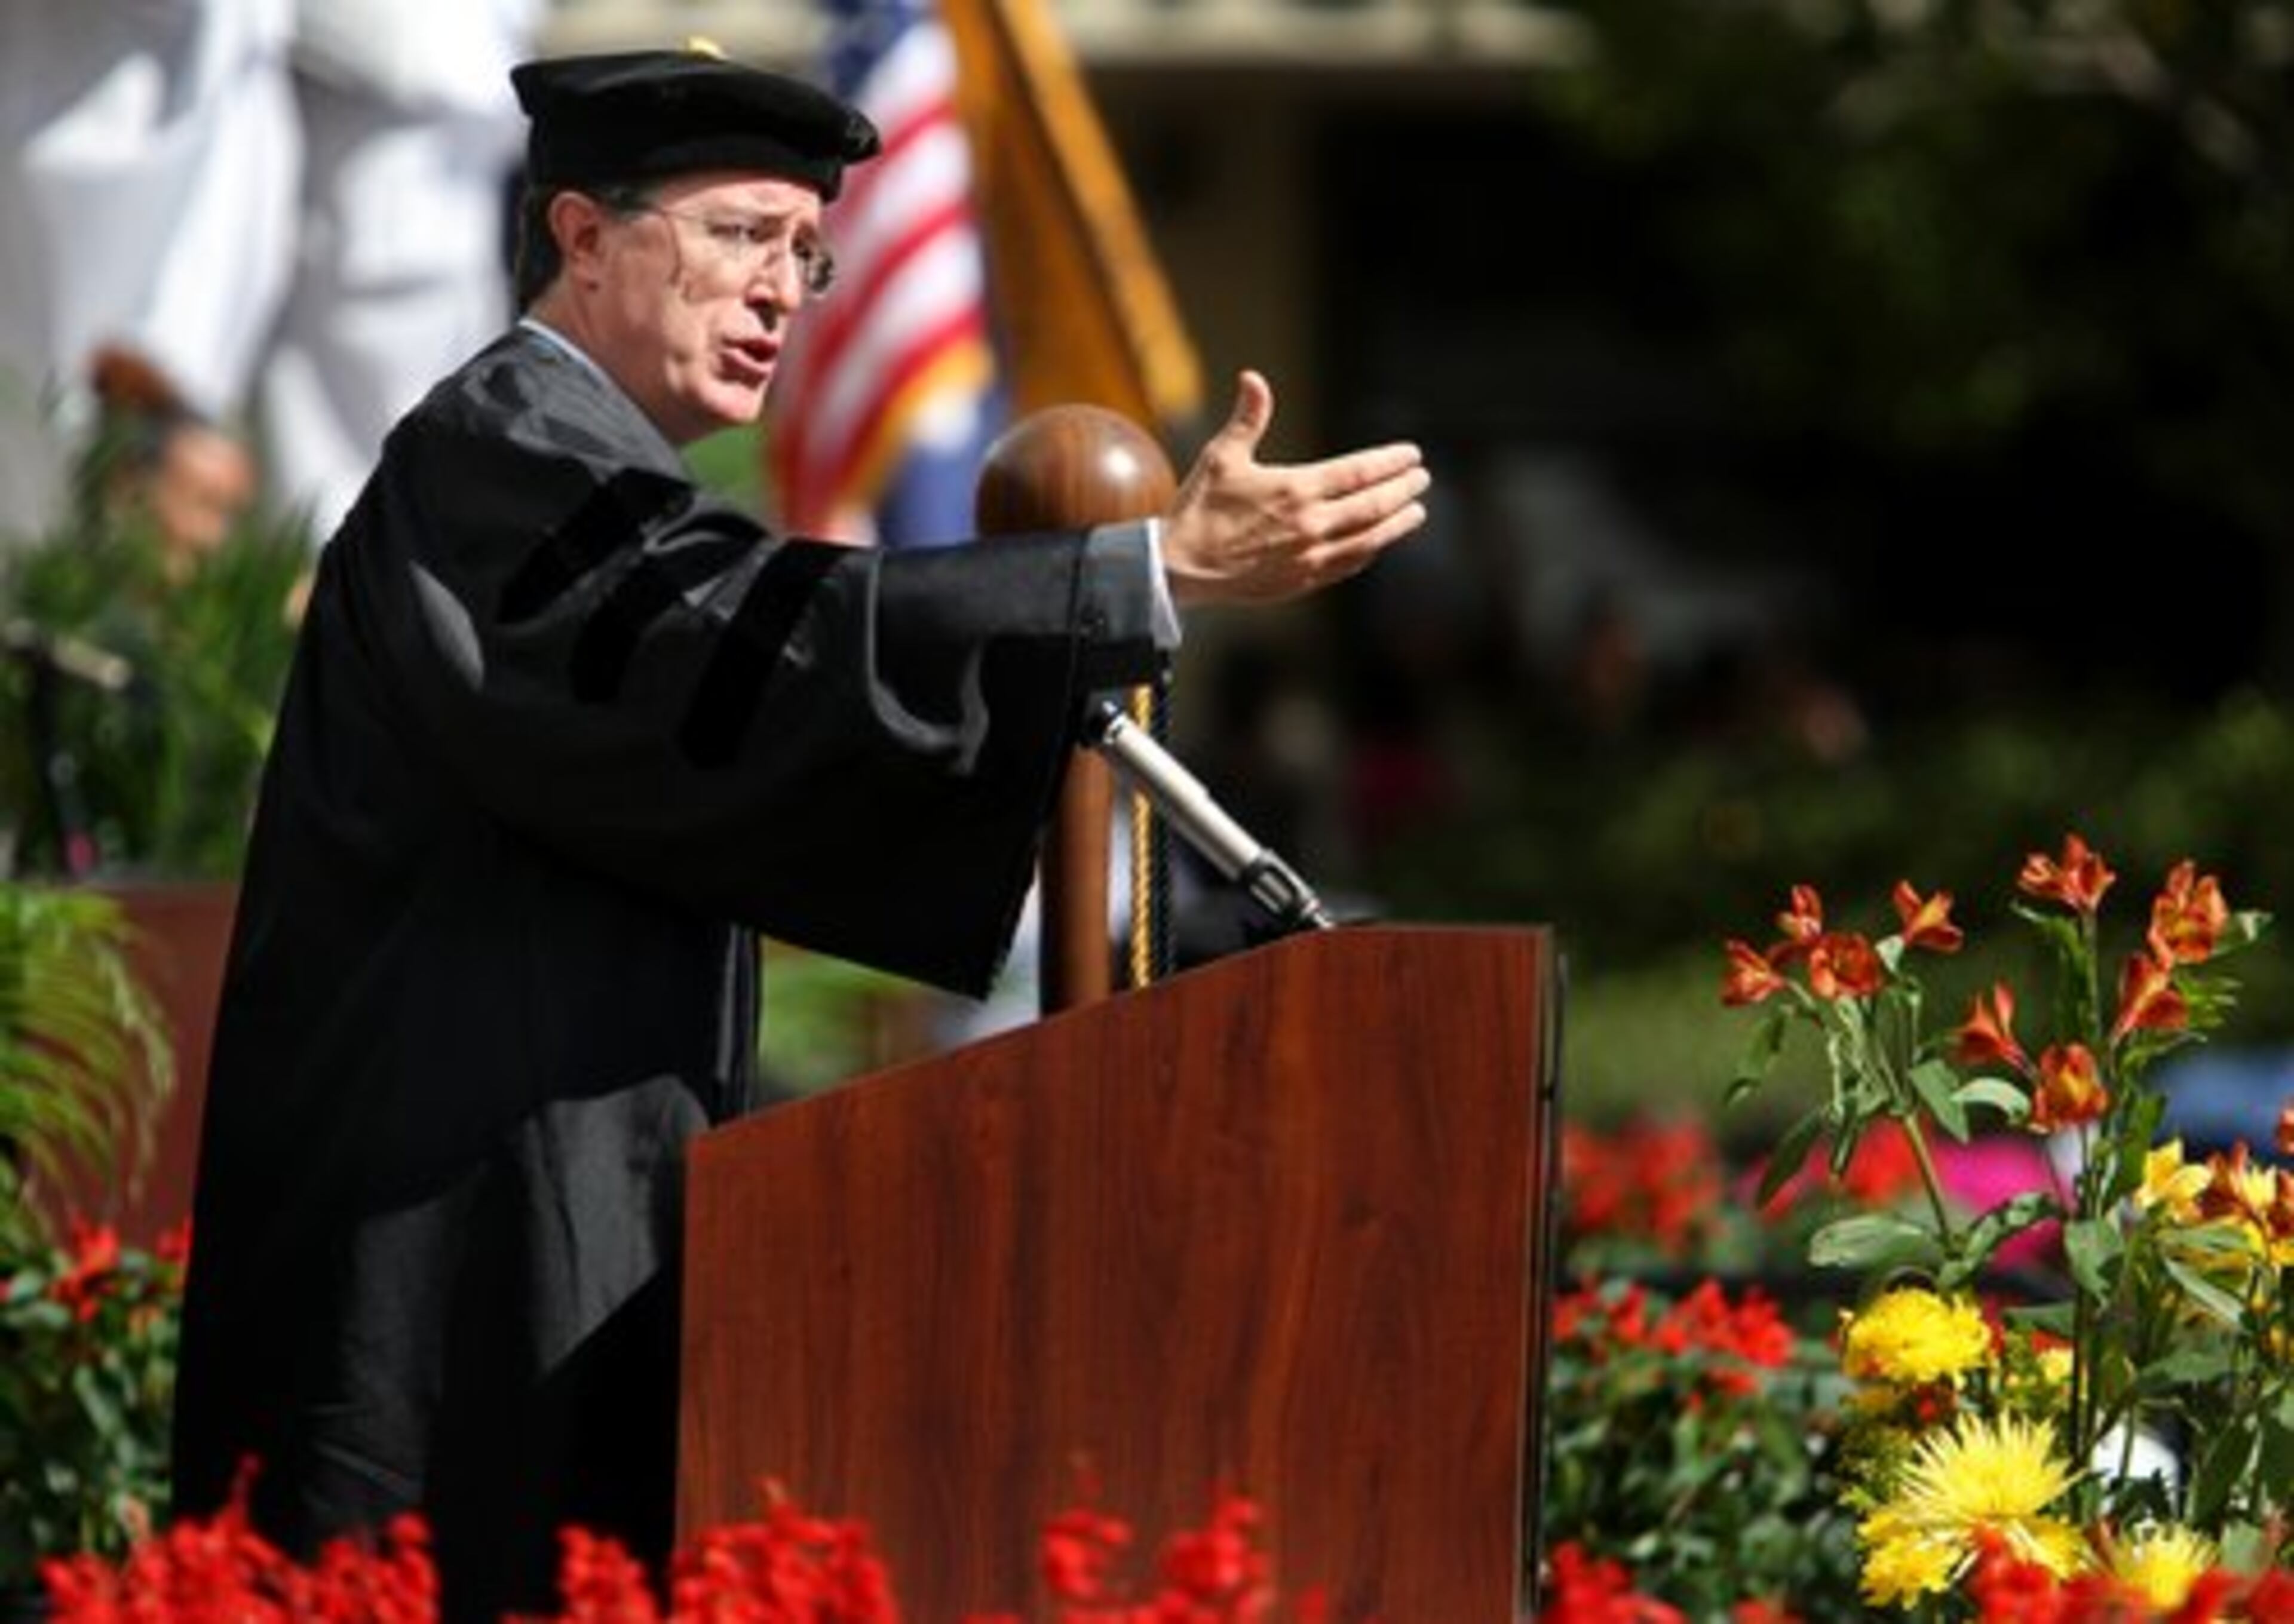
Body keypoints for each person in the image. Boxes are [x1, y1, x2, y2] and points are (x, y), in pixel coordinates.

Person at [168, 43, 1431, 1622]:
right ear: (581, 235)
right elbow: (748, 647)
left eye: (810, 254)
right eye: (740, 235)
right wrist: (1133, 577)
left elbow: (744, 688)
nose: (786, 289)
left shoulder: (583, 471)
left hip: (537, 1229)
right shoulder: (500, 453)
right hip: (437, 1270)